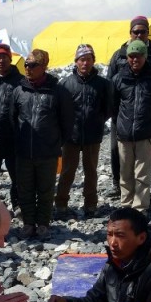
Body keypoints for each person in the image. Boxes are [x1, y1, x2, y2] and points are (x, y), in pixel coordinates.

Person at [9, 49, 75, 239]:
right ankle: (29, 223)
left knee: (46, 190)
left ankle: (44, 224)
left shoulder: (58, 92)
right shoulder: (19, 91)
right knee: (25, 189)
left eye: (32, 65)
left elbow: (67, 122)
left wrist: (55, 142)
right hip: (24, 151)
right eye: (26, 65)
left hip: (48, 152)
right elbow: (12, 119)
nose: (27, 68)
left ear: (43, 66)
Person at [107, 16, 151, 199]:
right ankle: (118, 185)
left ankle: (140, 197)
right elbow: (111, 86)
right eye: (136, 31)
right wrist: (115, 114)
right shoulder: (119, 55)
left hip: (145, 115)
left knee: (142, 158)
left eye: (143, 31)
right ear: (130, 33)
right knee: (116, 152)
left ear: (148, 33)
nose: (139, 34)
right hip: (122, 115)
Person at [58, 44, 109, 218]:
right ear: (76, 62)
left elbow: (108, 108)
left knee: (91, 172)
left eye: (88, 59)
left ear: (94, 61)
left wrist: (98, 121)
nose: (85, 63)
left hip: (93, 136)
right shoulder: (66, 84)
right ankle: (61, 205)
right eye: (82, 59)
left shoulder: (103, 84)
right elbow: (60, 110)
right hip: (71, 137)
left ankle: (91, 205)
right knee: (67, 171)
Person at [0, 43, 22, 209]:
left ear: (10, 59)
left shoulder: (20, 81)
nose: (1, 60)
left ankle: (18, 205)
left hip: (13, 137)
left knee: (17, 175)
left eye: (4, 57)